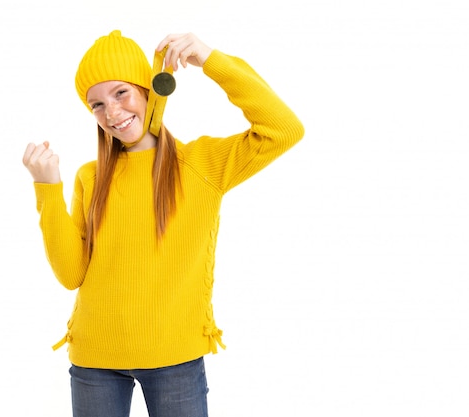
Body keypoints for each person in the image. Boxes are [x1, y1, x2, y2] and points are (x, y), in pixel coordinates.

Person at [22, 30, 304, 417]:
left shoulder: (202, 165)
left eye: (121, 93)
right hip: (95, 359)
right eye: (97, 105)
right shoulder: (90, 176)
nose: (112, 113)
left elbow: (284, 129)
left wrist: (211, 60)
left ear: (149, 88)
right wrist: (47, 188)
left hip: (175, 358)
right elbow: (72, 274)